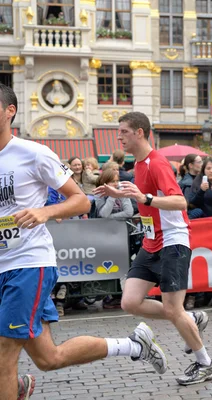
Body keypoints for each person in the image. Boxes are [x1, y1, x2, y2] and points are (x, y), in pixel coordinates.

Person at [0, 84, 167, 400]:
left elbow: (81, 200)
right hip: (2, 266)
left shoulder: (32, 153)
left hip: (28, 264)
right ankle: (133, 345)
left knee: (3, 358)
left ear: (10, 111)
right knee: (49, 358)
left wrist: (43, 212)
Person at [93, 112, 212, 385]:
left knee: (173, 309)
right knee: (130, 301)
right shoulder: (139, 164)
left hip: (173, 240)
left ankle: (205, 363)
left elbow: (179, 202)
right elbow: (146, 201)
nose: (119, 136)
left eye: (124, 131)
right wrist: (122, 194)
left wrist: (143, 197)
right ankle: (190, 318)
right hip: (152, 242)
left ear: (139, 132)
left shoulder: (157, 163)